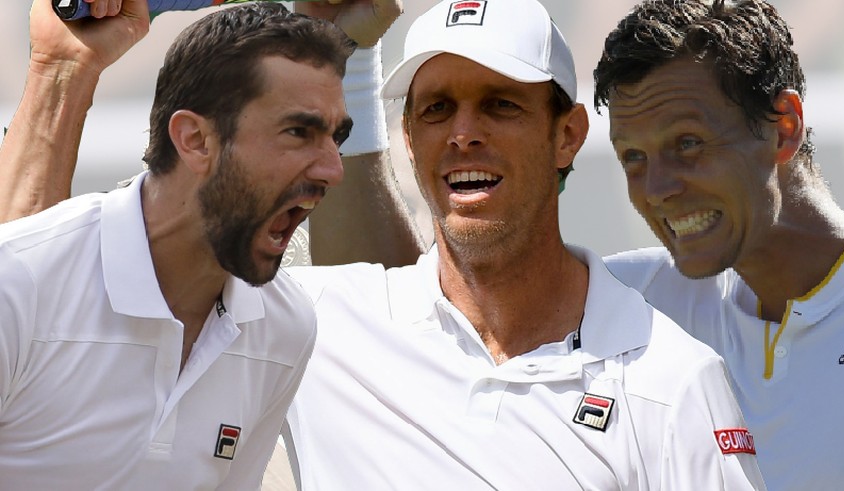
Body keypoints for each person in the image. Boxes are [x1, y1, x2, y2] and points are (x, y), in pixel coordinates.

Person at [1, 0, 767, 489]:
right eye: (435, 108)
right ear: (406, 136)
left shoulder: (674, 380)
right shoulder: (304, 323)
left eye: (498, 104)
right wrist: (62, 71)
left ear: (566, 134)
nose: (462, 131)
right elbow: (26, 289)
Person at [0, 0, 402, 488]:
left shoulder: (286, 327)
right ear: (194, 139)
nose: (333, 171)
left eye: (335, 139)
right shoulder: (17, 285)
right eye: (299, 132)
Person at [590, 1, 844, 489]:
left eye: (688, 143)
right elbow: (435, 306)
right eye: (633, 156)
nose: (656, 188)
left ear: (783, 126)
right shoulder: (634, 299)